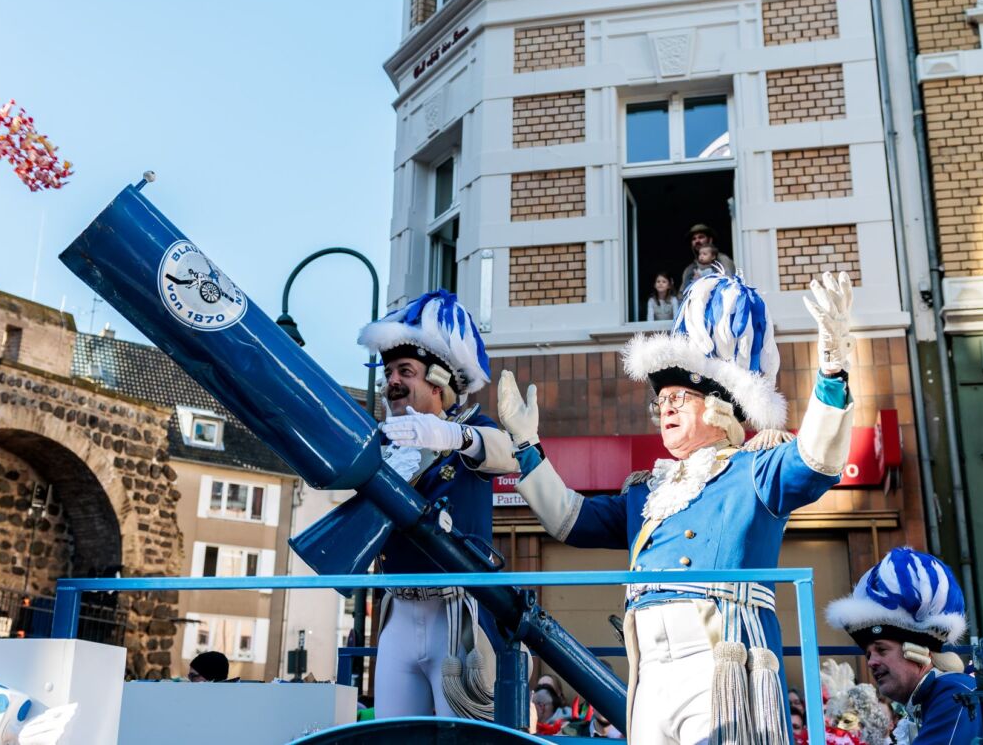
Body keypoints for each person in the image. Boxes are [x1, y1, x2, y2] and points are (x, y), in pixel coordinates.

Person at [498, 270, 858, 743]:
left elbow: (817, 459)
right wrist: (526, 447)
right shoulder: (649, 491)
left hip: (718, 661)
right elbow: (571, 519)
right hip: (649, 665)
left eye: (679, 397)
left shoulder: (754, 470)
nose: (665, 408)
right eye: (661, 400)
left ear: (718, 408)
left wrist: (832, 368)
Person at [359, 289, 518, 721]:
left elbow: (508, 454)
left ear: (440, 381)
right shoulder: (382, 446)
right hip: (397, 612)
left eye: (405, 370)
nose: (392, 380)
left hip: (457, 613)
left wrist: (451, 437)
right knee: (395, 733)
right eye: (389, 371)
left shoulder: (470, 430)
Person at [826, 548, 983, 744]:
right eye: (868, 654)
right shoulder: (934, 698)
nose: (872, 661)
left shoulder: (951, 693)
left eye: (882, 649)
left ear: (916, 651)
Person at [680, 224, 735, 291]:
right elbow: (682, 294)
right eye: (694, 239)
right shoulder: (689, 269)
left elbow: (730, 285)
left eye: (701, 237)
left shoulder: (723, 260)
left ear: (710, 240)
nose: (697, 241)